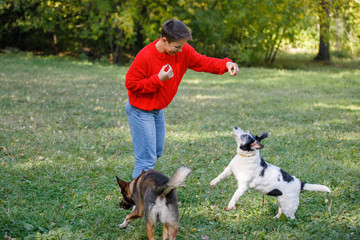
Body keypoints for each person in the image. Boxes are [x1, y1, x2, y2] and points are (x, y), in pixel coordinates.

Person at [125, 19, 239, 179]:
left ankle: (136, 191)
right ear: (164, 40)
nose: (180, 51)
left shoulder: (183, 51)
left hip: (157, 109)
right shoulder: (145, 56)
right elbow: (130, 83)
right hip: (140, 110)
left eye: (182, 46)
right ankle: (137, 201)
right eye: (177, 47)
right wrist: (158, 79)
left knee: (156, 151)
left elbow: (203, 62)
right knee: (146, 159)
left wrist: (226, 64)